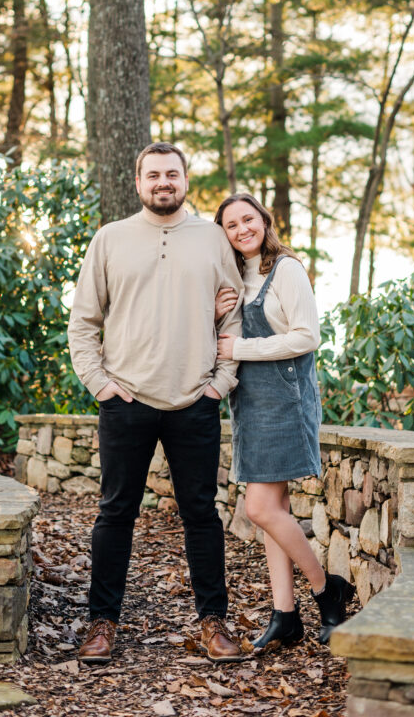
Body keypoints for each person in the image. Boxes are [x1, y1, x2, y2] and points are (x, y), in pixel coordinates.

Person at [68, 142, 245, 663]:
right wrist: (98, 382)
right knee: (115, 513)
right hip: (127, 398)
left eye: (172, 173)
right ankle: (102, 625)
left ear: (186, 180)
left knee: (201, 514)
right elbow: (83, 321)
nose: (163, 182)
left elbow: (232, 317)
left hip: (195, 398)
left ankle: (213, 623)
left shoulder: (213, 239)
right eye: (153, 175)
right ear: (138, 182)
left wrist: (221, 383)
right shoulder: (110, 239)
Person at [214, 192, 354, 651]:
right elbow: (225, 335)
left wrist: (242, 349)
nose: (241, 230)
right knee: (273, 515)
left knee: (258, 509)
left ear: (264, 220)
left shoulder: (286, 269)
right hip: (250, 405)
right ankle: (285, 616)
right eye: (231, 225)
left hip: (285, 401)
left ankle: (326, 589)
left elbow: (306, 336)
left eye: (247, 220)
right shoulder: (236, 276)